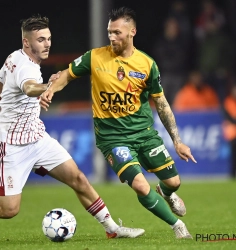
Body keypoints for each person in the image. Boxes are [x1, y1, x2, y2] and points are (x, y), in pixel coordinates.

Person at [0, 14, 145, 239]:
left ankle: (112, 229)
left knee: (78, 179)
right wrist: (48, 87)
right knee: (8, 210)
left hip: (36, 138)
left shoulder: (12, 57)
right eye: (41, 40)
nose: (47, 44)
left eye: (48, 38)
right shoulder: (27, 67)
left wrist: (13, 109)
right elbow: (28, 88)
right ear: (27, 42)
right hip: (11, 146)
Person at [40, 7, 196, 239]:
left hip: (144, 133)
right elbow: (66, 75)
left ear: (132, 32)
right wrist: (51, 89)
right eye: (109, 32)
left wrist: (178, 141)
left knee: (174, 181)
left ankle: (166, 192)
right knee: (141, 186)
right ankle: (177, 227)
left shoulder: (147, 64)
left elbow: (161, 103)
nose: (111, 37)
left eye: (117, 32)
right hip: (113, 138)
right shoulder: (95, 57)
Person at [222, 83, 236, 178]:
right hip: (233, 133)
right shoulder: (228, 102)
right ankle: (232, 173)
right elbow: (230, 117)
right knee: (233, 154)